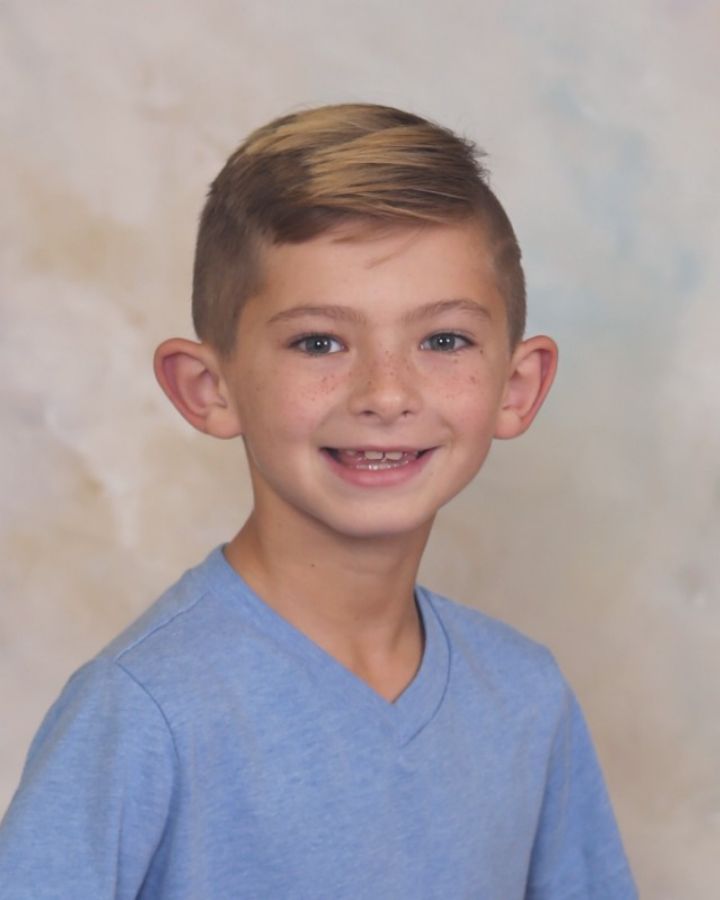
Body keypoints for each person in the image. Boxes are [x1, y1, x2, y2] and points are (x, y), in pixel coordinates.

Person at [0, 103, 637, 899]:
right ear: (209, 388)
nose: (386, 394)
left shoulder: (527, 699)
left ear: (517, 386)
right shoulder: (143, 712)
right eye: (319, 342)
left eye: (443, 340)